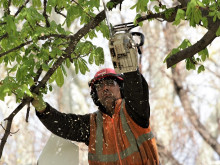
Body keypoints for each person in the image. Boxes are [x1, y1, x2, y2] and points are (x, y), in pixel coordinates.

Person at [32, 68, 160, 164]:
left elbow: (136, 88)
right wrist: (42, 108)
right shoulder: (92, 124)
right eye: (99, 86)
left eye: (110, 83)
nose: (105, 88)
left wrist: (127, 62)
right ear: (95, 95)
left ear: (121, 87)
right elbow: (64, 125)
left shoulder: (134, 109)